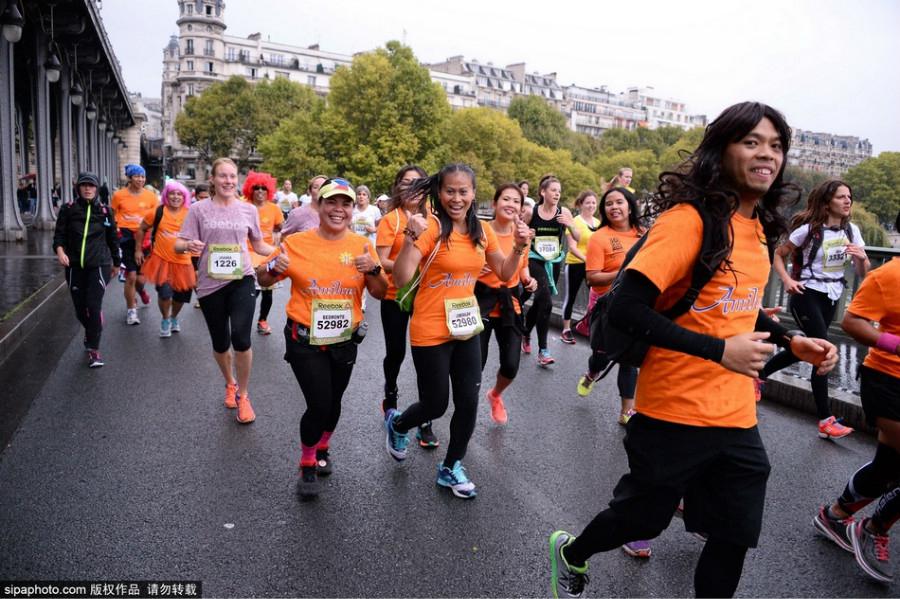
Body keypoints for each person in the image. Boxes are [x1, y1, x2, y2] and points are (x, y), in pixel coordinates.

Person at [549, 102, 839, 599]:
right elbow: (626, 310)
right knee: (643, 518)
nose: (766, 154)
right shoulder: (687, 223)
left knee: (732, 536)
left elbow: (735, 309)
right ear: (721, 151)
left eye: (775, 145)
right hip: (672, 412)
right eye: (751, 142)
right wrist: (718, 351)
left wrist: (792, 340)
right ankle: (571, 553)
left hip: (736, 418)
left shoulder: (757, 229)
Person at [384, 163, 531, 499]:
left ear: (473, 194)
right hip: (430, 328)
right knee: (435, 404)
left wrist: (520, 246)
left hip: (465, 326)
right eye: (450, 190)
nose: (456, 197)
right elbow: (403, 279)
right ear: (439, 192)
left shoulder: (483, 232)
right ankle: (398, 424)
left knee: (467, 403)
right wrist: (409, 236)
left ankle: (451, 466)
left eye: (463, 191)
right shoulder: (431, 227)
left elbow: (506, 273)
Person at [257, 178, 388, 499]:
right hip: (304, 338)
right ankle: (307, 462)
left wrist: (373, 270)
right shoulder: (297, 243)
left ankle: (324, 444)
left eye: (345, 203)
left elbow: (381, 292)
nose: (339, 210)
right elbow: (262, 277)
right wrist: (274, 265)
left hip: (345, 339)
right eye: (332, 202)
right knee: (319, 403)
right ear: (320, 205)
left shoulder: (361, 245)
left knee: (335, 401)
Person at [812, 211, 900, 584]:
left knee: (888, 467)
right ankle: (875, 526)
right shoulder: (887, 277)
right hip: (887, 379)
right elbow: (851, 322)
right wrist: (893, 342)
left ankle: (833, 516)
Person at [761, 179, 869, 439]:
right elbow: (779, 253)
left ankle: (758, 375)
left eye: (849, 197)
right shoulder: (809, 230)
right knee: (822, 351)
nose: (847, 202)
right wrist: (787, 280)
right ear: (826, 202)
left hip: (832, 295)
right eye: (841, 197)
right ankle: (825, 419)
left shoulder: (852, 231)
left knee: (806, 348)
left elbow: (862, 273)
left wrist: (862, 258)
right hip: (806, 293)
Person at [175, 158, 278, 425]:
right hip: (210, 284)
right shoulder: (198, 210)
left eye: (233, 176)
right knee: (221, 343)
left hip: (242, 278)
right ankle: (230, 383)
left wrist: (282, 252)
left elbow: (259, 245)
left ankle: (243, 395)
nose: (229, 181)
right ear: (213, 179)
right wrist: (189, 245)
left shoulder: (248, 211)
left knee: (241, 338)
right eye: (223, 176)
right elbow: (178, 243)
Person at [374, 165, 439, 447]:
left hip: (426, 298)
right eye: (406, 183)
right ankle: (391, 394)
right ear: (398, 187)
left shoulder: (434, 220)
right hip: (395, 296)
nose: (412, 189)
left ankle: (425, 418)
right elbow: (381, 260)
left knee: (427, 359)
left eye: (418, 183)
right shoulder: (391, 220)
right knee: (397, 353)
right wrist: (410, 266)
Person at [576, 187, 644, 426]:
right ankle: (592, 373)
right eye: (609, 204)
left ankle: (627, 410)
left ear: (630, 205)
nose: (614, 207)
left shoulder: (643, 235)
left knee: (628, 358)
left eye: (619, 202)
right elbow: (592, 278)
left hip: (636, 306)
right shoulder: (600, 237)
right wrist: (623, 274)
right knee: (602, 356)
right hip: (607, 306)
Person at [477, 183, 537, 424]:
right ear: (494, 203)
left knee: (511, 365)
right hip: (480, 299)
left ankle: (496, 395)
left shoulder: (522, 234)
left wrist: (529, 280)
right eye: (506, 199)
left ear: (521, 208)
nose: (511, 204)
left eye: (516, 201)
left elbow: (523, 268)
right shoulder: (480, 230)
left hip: (508, 301)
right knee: (475, 366)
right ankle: (466, 409)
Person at [53, 172, 121, 368]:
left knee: (93, 306)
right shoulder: (68, 209)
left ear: (97, 189)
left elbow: (112, 239)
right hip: (74, 266)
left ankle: (94, 350)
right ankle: (92, 328)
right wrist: (60, 252)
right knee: (80, 311)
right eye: (84, 185)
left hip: (99, 265)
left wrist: (116, 262)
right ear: (78, 188)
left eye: (91, 186)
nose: (88, 189)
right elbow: (59, 235)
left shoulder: (105, 211)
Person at [521, 174, 579, 366]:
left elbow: (577, 237)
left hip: (554, 261)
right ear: (543, 192)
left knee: (540, 303)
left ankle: (526, 333)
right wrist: (527, 235)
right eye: (553, 190)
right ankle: (543, 350)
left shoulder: (564, 212)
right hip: (535, 259)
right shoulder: (532, 212)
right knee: (545, 300)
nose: (557, 194)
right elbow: (520, 232)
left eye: (559, 191)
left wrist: (570, 224)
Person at [135, 180, 196, 337]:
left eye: (179, 194)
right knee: (165, 294)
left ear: (184, 197)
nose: (175, 197)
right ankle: (165, 319)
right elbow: (141, 229)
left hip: (184, 263)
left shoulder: (191, 214)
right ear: (166, 195)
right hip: (162, 261)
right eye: (172, 193)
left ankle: (174, 316)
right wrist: (138, 250)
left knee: (181, 297)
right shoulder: (158, 212)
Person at [111, 164, 158, 325]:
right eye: (137, 176)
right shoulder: (118, 195)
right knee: (130, 276)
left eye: (143, 177)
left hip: (145, 239)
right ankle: (132, 311)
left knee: (140, 279)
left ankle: (141, 291)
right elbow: (111, 216)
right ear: (130, 178)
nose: (140, 179)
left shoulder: (151, 197)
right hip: (126, 238)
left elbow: (156, 219)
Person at [242, 171, 283, 335]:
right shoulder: (243, 206)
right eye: (256, 187)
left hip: (267, 254)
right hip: (247, 254)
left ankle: (262, 320)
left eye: (264, 188)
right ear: (250, 189)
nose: (260, 191)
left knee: (268, 292)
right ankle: (243, 321)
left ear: (269, 191)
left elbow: (280, 227)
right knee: (251, 291)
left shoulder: (274, 208)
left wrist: (278, 236)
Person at [560, 190, 600, 344]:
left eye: (593, 203)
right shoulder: (574, 222)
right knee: (571, 296)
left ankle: (588, 326)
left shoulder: (598, 223)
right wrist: (587, 260)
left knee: (596, 298)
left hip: (593, 267)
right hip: (576, 263)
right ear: (581, 204)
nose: (591, 205)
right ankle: (566, 329)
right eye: (588, 202)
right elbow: (572, 247)